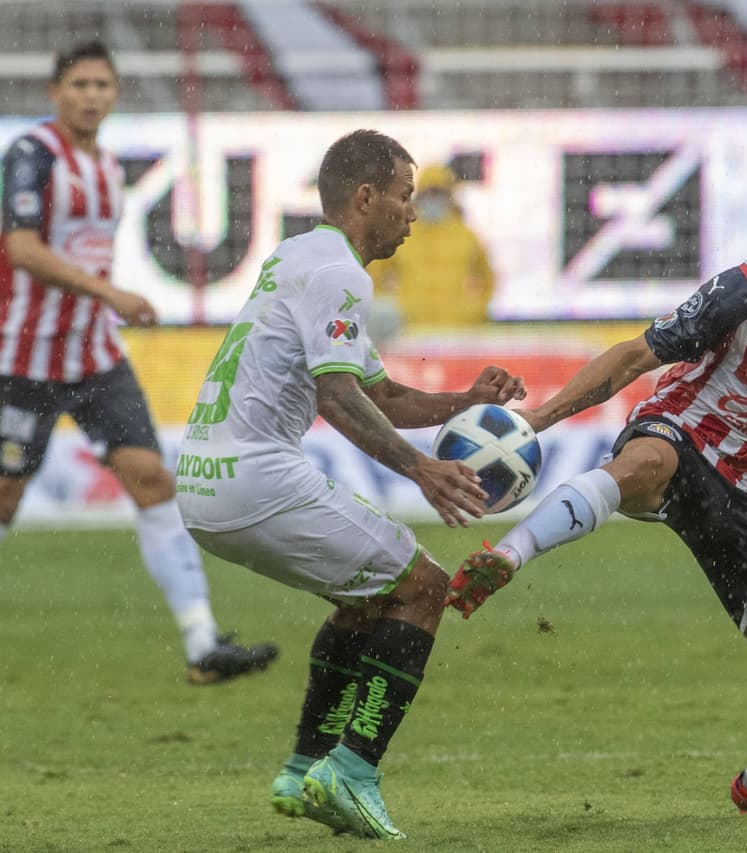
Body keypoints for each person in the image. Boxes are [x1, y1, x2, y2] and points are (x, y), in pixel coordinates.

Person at [447, 165, 747, 816]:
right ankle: (508, 556)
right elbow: (634, 356)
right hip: (684, 435)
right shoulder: (746, 288)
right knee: (646, 463)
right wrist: (535, 421)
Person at [177, 129, 525, 839]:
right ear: (366, 198)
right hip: (257, 477)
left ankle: (306, 767)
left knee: (367, 601)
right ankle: (353, 769)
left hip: (204, 481)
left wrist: (463, 402)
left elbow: (379, 394)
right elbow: (335, 396)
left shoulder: (299, 256)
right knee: (424, 588)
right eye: (404, 195)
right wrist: (420, 468)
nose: (413, 212)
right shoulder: (343, 273)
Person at [0, 40, 277, 685]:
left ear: (115, 93)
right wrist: (111, 294)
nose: (92, 96)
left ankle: (203, 644)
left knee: (152, 480)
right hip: (24, 355)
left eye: (102, 85)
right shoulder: (33, 154)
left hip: (94, 355)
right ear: (55, 92)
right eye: (80, 84)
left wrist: (101, 303)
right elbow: (21, 248)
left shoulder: (105, 165)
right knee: (6, 496)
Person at [364, 163, 495, 339]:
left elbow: (488, 277)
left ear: (449, 196)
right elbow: (374, 277)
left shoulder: (466, 235)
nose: (433, 199)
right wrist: (391, 309)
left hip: (458, 330)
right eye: (428, 193)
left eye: (439, 193)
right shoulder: (399, 234)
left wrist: (476, 309)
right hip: (410, 332)